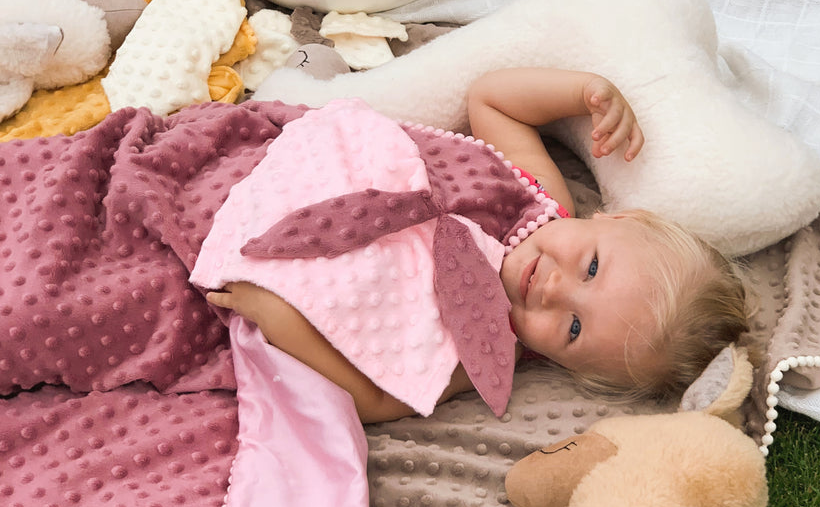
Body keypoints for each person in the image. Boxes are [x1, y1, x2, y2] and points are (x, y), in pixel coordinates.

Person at [205, 67, 750, 420]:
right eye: (591, 267)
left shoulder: (487, 350)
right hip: (319, 170)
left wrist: (277, 315)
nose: (555, 290)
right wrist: (585, 91)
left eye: (574, 328)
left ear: (564, 365)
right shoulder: (542, 202)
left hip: (287, 260)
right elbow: (492, 101)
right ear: (619, 216)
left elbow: (375, 399)